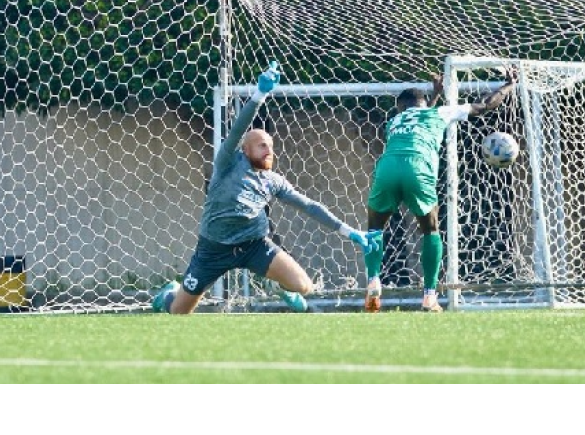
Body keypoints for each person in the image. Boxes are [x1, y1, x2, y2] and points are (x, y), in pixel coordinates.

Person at [153, 61, 379, 315]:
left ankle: (278, 284)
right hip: (213, 249)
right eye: (261, 144)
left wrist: (350, 232)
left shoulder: (273, 181)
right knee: (178, 312)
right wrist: (260, 95)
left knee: (303, 286)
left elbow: (309, 206)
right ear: (245, 149)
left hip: (255, 245)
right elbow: (239, 127)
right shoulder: (227, 162)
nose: (268, 149)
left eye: (270, 145)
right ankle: (169, 293)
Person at [362, 68, 518, 313]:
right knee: (430, 229)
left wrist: (434, 94)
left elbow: (418, 116)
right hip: (418, 169)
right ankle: (429, 296)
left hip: (388, 169)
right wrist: (508, 86)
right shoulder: (439, 113)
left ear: (400, 108)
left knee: (375, 228)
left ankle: (373, 281)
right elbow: (484, 104)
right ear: (425, 105)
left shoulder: (394, 121)